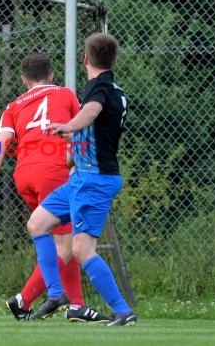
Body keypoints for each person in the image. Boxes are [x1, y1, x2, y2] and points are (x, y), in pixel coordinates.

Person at [0, 53, 109, 322]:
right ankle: (23, 300)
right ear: (51, 75)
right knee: (67, 244)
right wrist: (74, 159)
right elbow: (84, 130)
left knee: (62, 239)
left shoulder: (13, 106)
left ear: (23, 79)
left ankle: (76, 304)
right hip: (51, 172)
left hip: (23, 175)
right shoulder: (65, 94)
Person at [27, 33, 136, 326]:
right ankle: (56, 293)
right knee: (37, 223)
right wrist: (73, 148)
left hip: (95, 180)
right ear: (114, 59)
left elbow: (91, 112)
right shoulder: (114, 89)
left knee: (81, 249)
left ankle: (123, 311)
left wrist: (69, 124)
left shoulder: (98, 88)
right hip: (81, 178)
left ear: (85, 59)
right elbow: (99, 131)